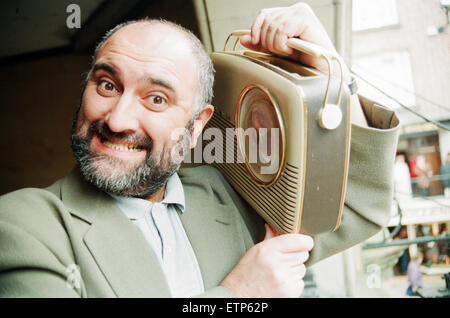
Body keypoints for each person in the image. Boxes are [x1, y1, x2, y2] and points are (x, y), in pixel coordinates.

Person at [0, 2, 399, 297]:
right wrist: (237, 296)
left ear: (197, 127)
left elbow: (355, 204)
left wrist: (332, 72)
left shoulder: (230, 199)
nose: (118, 119)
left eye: (156, 99)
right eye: (108, 84)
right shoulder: (21, 225)